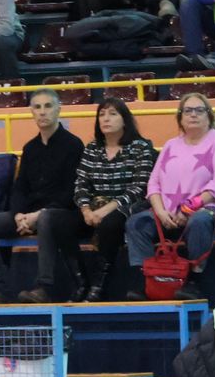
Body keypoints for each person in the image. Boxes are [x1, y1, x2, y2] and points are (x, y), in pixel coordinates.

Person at [0, 90, 83, 303]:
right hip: (28, 214)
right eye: (37, 107)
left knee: (47, 218)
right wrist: (18, 215)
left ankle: (44, 287)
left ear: (59, 109)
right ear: (31, 111)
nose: (42, 112)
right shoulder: (30, 148)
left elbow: (72, 191)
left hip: (59, 214)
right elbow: (20, 188)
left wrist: (38, 215)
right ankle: (1, 289)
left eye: (48, 106)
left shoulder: (73, 145)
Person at [123, 93, 215, 298]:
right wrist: (159, 211)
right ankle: (146, 281)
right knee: (136, 223)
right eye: (188, 110)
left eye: (199, 110)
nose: (193, 115)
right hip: (170, 214)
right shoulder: (170, 145)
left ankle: (195, 281)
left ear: (209, 116)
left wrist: (188, 208)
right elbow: (153, 183)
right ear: (180, 117)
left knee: (200, 220)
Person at [67, 98, 157, 301]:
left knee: (111, 223)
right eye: (102, 114)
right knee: (57, 223)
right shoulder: (92, 148)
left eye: (113, 113)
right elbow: (81, 184)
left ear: (125, 120)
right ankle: (81, 283)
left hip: (126, 208)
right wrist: (86, 210)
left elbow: (139, 187)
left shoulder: (139, 147)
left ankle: (100, 284)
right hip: (92, 210)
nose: (106, 118)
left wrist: (105, 210)